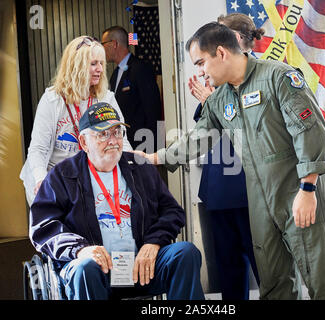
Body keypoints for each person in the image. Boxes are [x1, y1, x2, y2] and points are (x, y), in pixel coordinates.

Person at [136, 22, 325, 300]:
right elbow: (197, 139)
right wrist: (155, 156)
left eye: (201, 62)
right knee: (274, 286)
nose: (199, 71)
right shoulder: (220, 100)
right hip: (260, 204)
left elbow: (310, 131)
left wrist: (308, 189)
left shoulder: (278, 77)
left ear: (221, 53)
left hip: (298, 193)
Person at [29, 102, 205, 300]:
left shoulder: (139, 166)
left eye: (117, 132)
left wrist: (153, 243)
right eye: (103, 134)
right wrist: (80, 249)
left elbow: (172, 211)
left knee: (185, 253)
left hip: (141, 266)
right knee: (85, 267)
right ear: (84, 142)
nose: (112, 140)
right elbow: (43, 226)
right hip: (96, 271)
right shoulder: (62, 175)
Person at [187, 13, 263, 300]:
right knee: (228, 273)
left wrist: (211, 101)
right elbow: (205, 130)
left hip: (249, 190)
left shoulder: (263, 75)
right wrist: (208, 102)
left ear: (237, 39)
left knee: (266, 270)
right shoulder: (216, 76)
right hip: (218, 190)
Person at [20, 36, 132, 206]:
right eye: (94, 64)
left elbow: (121, 142)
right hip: (52, 178)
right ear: (76, 65)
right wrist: (40, 180)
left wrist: (132, 171)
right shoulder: (52, 100)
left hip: (87, 179)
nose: (100, 69)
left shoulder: (106, 99)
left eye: (101, 63)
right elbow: (38, 149)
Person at [101, 26, 162, 152]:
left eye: (104, 44)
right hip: (124, 143)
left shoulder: (140, 69)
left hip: (142, 144)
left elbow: (152, 109)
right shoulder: (115, 74)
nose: (102, 48)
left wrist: (152, 147)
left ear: (114, 44)